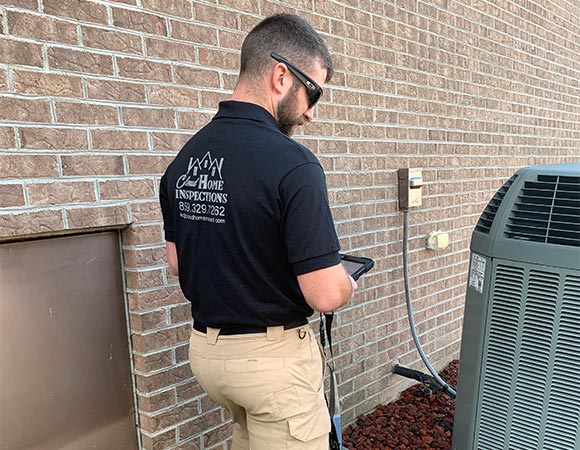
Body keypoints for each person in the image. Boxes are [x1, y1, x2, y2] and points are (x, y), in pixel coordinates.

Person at [159, 13, 357, 450]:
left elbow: (178, 263)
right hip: (272, 366)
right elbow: (324, 295)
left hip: (209, 357)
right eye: (314, 93)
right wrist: (345, 282)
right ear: (281, 76)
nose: (311, 112)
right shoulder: (294, 165)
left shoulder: (184, 161)